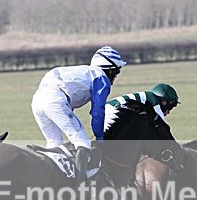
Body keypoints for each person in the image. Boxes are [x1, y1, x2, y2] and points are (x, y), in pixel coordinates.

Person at [30, 46, 127, 184]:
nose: (116, 75)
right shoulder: (101, 78)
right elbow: (98, 111)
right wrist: (99, 136)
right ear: (110, 69)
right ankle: (79, 187)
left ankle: (47, 179)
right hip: (55, 100)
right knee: (83, 143)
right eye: (117, 71)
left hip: (37, 100)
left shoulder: (85, 72)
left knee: (54, 143)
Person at [105, 83, 180, 130]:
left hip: (107, 109)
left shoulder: (147, 97)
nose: (169, 112)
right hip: (114, 112)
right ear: (164, 102)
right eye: (170, 107)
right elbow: (162, 128)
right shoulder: (155, 103)